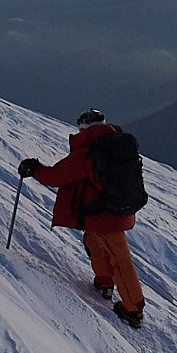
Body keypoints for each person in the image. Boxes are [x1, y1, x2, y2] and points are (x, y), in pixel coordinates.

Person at [19, 109, 146, 329]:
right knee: (95, 243)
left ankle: (133, 309)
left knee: (119, 258)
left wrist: (34, 168)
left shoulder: (88, 151)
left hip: (104, 215)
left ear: (82, 128)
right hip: (113, 210)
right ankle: (105, 282)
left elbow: (57, 176)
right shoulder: (115, 143)